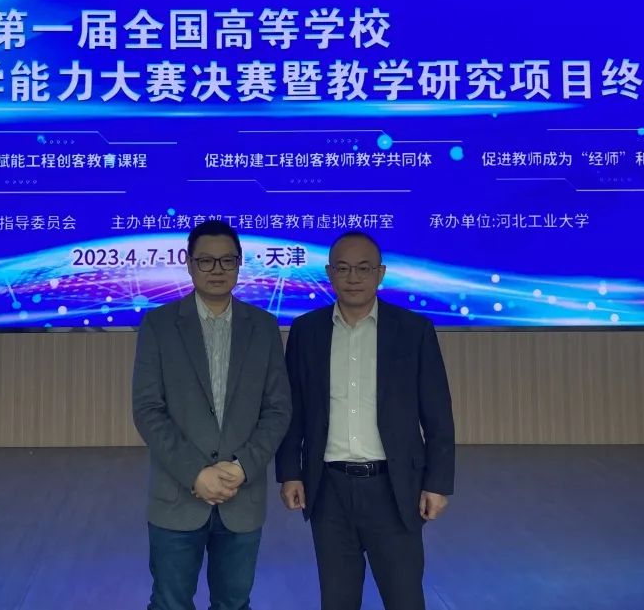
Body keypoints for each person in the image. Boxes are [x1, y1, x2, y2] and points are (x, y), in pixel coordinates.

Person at [275, 231, 455, 610]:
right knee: (337, 600)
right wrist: (290, 472)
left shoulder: (413, 330)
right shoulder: (307, 331)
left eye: (363, 268)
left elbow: (437, 414)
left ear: (380, 273)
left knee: (404, 598)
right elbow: (294, 410)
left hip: (394, 488)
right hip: (329, 490)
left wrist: (437, 483)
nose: (353, 277)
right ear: (329, 273)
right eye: (343, 268)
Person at [132, 219, 292, 610]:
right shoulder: (159, 325)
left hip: (242, 496)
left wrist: (242, 466)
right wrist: (195, 473)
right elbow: (148, 409)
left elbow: (278, 409)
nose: (217, 269)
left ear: (239, 264)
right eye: (206, 260)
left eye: (227, 260)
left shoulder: (264, 327)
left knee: (234, 603)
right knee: (169, 603)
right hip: (178, 497)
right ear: (189, 264)